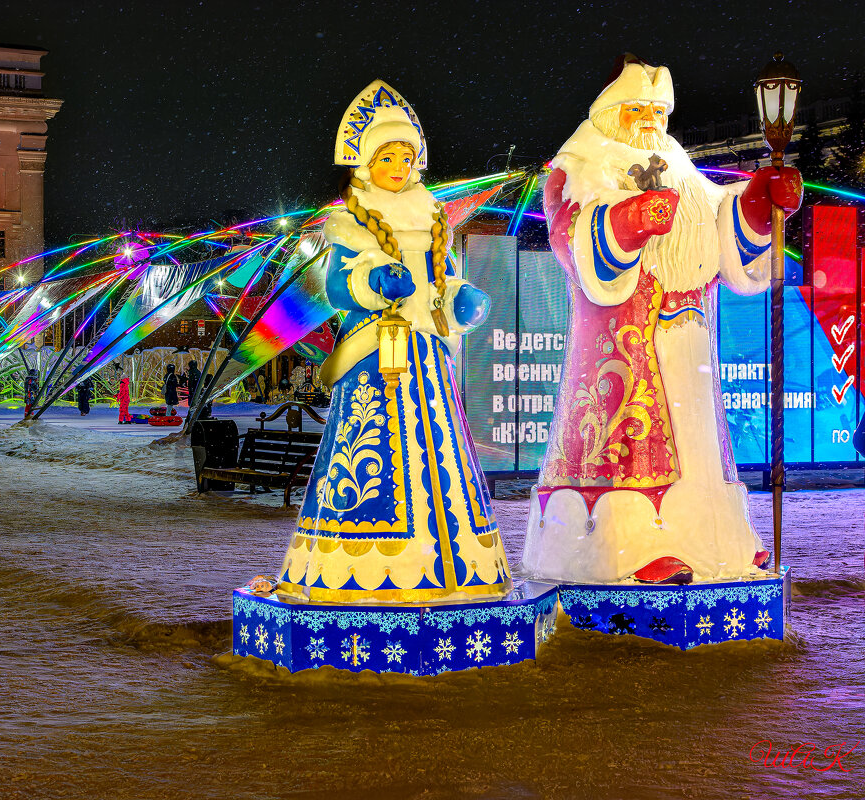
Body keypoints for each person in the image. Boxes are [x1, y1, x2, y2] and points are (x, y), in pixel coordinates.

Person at [522, 55, 803, 585]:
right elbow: (569, 231)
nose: (651, 119)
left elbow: (720, 219)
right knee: (633, 440)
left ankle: (714, 541)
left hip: (691, 332)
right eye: (637, 109)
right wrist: (627, 221)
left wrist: (762, 203)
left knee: (697, 443)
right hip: (626, 336)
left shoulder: (675, 160)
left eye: (658, 109)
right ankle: (630, 546)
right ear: (610, 111)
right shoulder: (580, 164)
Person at [275, 81, 508, 604]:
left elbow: (444, 280)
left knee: (441, 454)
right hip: (374, 355)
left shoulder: (432, 218)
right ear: (364, 162)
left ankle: (457, 562)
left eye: (407, 156)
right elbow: (337, 286)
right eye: (388, 157)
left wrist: (459, 299)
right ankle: (362, 560)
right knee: (371, 447)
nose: (399, 165)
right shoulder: (351, 222)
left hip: (427, 353)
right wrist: (373, 285)